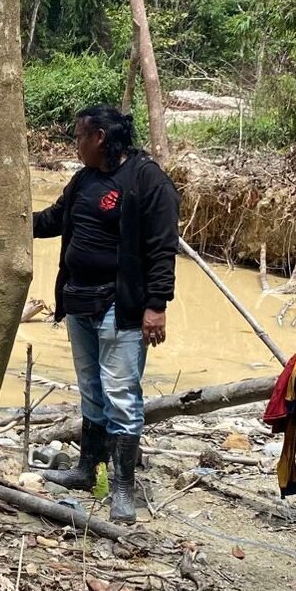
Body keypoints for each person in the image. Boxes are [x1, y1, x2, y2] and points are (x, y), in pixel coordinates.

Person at [33, 105, 179, 522]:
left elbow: (162, 248)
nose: (75, 144)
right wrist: (11, 224)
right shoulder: (83, 179)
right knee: (90, 389)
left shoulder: (146, 180)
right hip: (78, 301)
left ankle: (122, 487)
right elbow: (54, 219)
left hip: (121, 305)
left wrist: (156, 305)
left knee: (121, 394)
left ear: (99, 137)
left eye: (79, 136)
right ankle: (86, 469)